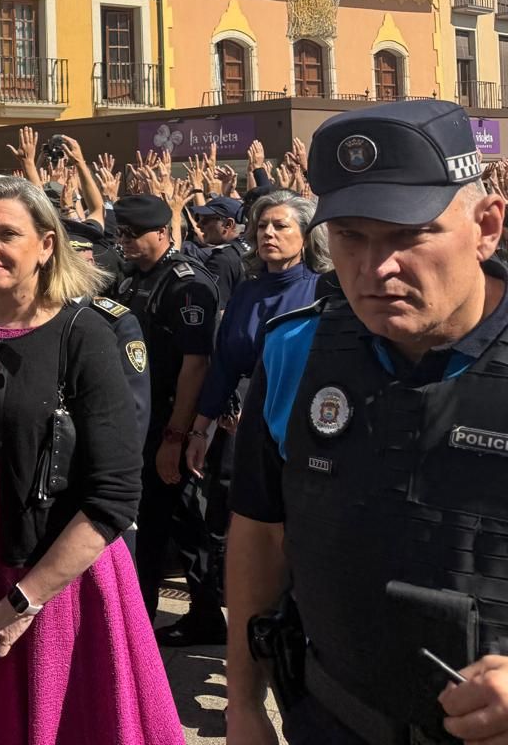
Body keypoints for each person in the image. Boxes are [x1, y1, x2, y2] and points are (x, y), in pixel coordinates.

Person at [227, 100, 508, 745]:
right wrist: (243, 703)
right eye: (350, 236)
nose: (376, 269)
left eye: (408, 235)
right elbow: (260, 534)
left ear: (487, 226)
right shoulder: (295, 350)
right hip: (330, 720)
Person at [0, 177, 182, 744]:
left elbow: (115, 497)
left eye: (7, 234)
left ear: (47, 245)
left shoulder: (88, 333)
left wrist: (22, 602)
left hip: (62, 582)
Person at [167, 191, 328, 649]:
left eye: (281, 226)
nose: (269, 234)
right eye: (262, 227)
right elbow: (221, 365)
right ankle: (248, 636)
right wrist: (200, 428)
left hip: (302, 434)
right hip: (242, 434)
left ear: (306, 235)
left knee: (295, 538)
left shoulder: (323, 289)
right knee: (233, 531)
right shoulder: (249, 289)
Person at [111, 192, 219, 620]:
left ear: (162, 232)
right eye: (120, 233)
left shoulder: (185, 283)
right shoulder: (132, 278)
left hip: (170, 419)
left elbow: (195, 366)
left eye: (133, 234)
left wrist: (175, 436)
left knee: (171, 518)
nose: (124, 241)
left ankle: (163, 615)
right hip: (140, 417)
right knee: (162, 519)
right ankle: (194, 613)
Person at [187, 194, 247, 304]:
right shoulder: (253, 248)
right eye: (198, 218)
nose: (199, 225)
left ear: (228, 224)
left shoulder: (222, 259)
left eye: (205, 220)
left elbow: (217, 311)